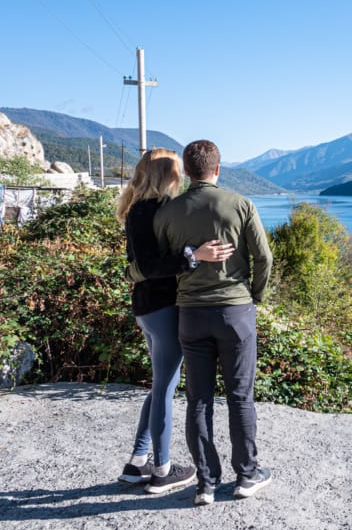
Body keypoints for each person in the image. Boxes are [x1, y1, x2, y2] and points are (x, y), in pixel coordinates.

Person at [154, 139, 274, 506]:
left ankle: (205, 483)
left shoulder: (167, 213)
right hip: (235, 312)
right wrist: (254, 296)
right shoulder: (240, 204)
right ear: (218, 169)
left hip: (190, 314)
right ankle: (246, 476)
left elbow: (161, 266)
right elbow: (264, 258)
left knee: (198, 400)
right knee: (240, 397)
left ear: (187, 173)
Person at [116, 148, 235, 494]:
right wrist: (194, 255)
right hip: (162, 308)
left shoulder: (141, 209)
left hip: (148, 308)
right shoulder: (147, 211)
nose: (181, 176)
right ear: (167, 175)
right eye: (176, 172)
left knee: (159, 385)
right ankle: (163, 470)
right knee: (165, 388)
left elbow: (142, 266)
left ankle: (137, 463)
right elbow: (151, 266)